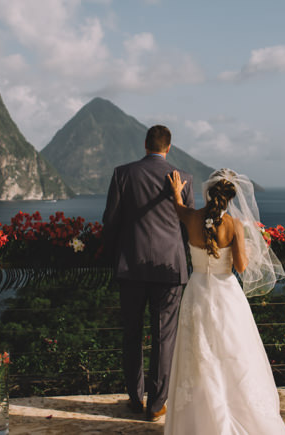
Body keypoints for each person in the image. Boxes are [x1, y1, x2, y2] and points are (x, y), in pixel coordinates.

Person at [164, 167, 285, 435]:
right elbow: (242, 268)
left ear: (208, 192)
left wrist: (176, 193)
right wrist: (250, 248)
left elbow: (178, 209)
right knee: (233, 351)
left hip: (197, 291)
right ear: (231, 197)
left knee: (198, 353)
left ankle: (199, 420)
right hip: (225, 294)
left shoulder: (192, 217)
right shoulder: (235, 225)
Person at [102, 125, 194, 422]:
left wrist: (110, 257)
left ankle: (133, 397)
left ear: (145, 144)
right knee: (163, 337)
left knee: (132, 334)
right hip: (170, 269)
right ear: (170, 147)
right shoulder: (183, 178)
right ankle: (156, 406)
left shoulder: (123, 174)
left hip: (131, 265)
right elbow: (188, 226)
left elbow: (111, 221)